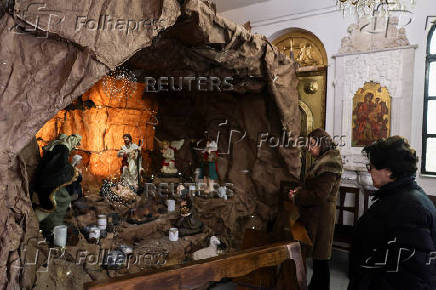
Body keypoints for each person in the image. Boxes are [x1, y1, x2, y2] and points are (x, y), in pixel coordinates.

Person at [348, 136, 436, 290]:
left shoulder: (410, 207)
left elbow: (410, 274)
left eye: (372, 167)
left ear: (389, 171)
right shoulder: (400, 196)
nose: (369, 171)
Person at [289, 128, 343, 290]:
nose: (309, 148)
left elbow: (319, 195)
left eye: (312, 144)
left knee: (321, 258)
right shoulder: (324, 159)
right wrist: (299, 191)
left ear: (322, 143)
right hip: (317, 215)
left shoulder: (329, 163)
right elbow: (314, 187)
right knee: (320, 258)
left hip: (322, 217)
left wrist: (297, 197)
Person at [34, 134, 82, 239]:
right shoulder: (62, 148)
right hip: (49, 183)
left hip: (47, 180)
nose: (74, 148)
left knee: (61, 201)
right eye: (74, 145)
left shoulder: (57, 146)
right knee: (60, 201)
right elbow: (59, 167)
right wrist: (73, 171)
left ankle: (49, 227)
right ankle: (48, 227)